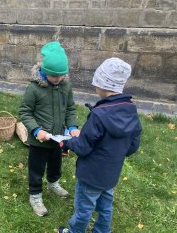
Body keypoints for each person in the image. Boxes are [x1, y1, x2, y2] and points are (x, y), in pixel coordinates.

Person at [58, 58, 142, 233]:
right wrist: (116, 152)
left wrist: (67, 142)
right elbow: (133, 144)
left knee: (84, 210)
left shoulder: (98, 115)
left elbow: (82, 146)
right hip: (111, 174)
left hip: (90, 175)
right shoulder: (131, 109)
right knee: (105, 207)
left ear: (103, 84)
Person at [19, 41, 80, 217]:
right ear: (45, 72)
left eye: (62, 76)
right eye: (55, 76)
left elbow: (70, 109)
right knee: (36, 169)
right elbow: (25, 112)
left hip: (57, 138)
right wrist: (36, 130)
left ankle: (53, 183)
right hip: (39, 140)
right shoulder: (34, 88)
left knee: (56, 163)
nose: (58, 79)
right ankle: (35, 196)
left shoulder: (65, 86)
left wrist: (73, 127)